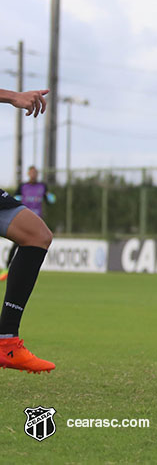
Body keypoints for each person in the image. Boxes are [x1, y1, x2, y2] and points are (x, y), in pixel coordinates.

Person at [0, 88, 55, 373]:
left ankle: (6, 342)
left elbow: (48, 198)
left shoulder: (41, 187)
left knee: (37, 235)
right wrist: (11, 97)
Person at [1, 165, 55, 281]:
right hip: (21, 220)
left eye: (35, 173)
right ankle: (6, 269)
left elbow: (50, 200)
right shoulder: (22, 186)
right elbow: (13, 200)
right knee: (16, 245)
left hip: (37, 219)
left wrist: (50, 198)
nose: (33, 175)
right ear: (28, 174)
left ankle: (24, 273)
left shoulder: (42, 186)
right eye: (31, 173)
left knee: (37, 244)